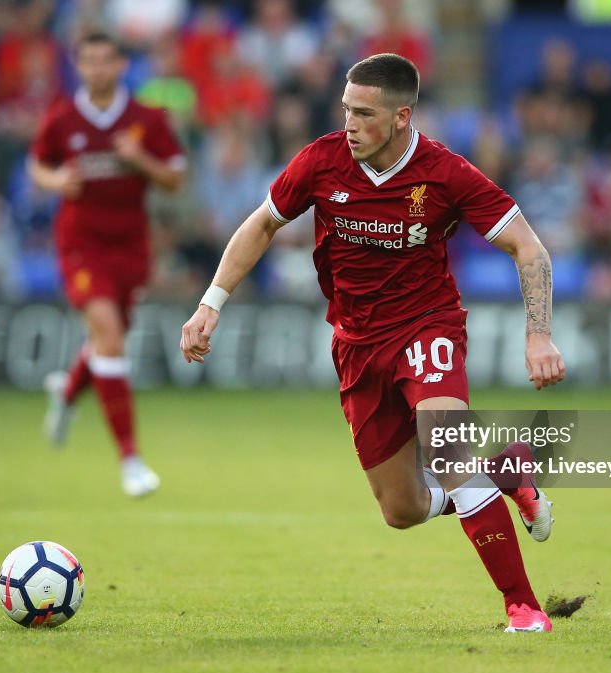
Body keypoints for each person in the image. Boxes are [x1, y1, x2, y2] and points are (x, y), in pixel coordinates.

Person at [180, 53, 565, 632]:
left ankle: (523, 607)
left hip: (426, 326)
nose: (350, 124)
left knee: (447, 452)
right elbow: (262, 223)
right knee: (402, 510)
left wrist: (539, 335)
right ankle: (504, 475)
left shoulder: (444, 173)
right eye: (346, 110)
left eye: (364, 113)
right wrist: (211, 302)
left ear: (402, 117)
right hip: (357, 344)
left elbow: (528, 247)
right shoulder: (321, 161)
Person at [29, 32, 186, 497]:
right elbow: (37, 165)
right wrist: (57, 180)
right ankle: (130, 460)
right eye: (88, 61)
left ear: (121, 66)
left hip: (131, 245)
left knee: (106, 338)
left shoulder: (146, 119)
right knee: (110, 336)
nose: (97, 69)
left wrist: (139, 160)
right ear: (78, 66)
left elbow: (175, 178)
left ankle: (66, 390)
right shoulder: (61, 117)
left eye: (105, 60)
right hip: (81, 242)